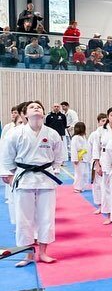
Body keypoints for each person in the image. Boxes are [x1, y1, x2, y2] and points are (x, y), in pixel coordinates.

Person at [0, 100, 66, 266]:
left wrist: (56, 169)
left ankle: (43, 252)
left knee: (46, 217)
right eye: (32, 107)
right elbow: (7, 157)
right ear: (25, 114)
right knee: (24, 218)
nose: (36, 108)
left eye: (39, 107)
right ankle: (28, 254)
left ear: (43, 113)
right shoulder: (15, 133)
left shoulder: (52, 134)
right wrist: (10, 174)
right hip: (24, 178)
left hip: (46, 178)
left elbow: (59, 156)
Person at [70, 122, 89, 193]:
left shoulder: (83, 137)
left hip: (84, 157)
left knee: (85, 173)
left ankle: (83, 186)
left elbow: (86, 147)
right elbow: (73, 149)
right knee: (79, 173)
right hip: (78, 157)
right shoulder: (75, 137)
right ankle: (77, 187)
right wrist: (75, 159)